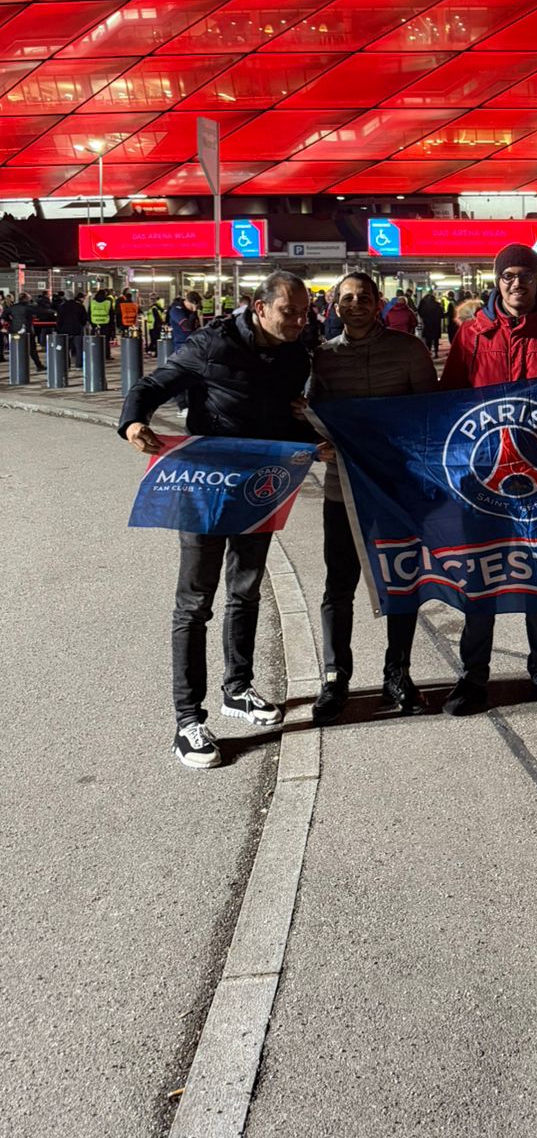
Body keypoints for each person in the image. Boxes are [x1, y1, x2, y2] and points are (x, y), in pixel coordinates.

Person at [118, 270, 314, 770]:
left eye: (303, 312)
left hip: (260, 487)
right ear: (260, 307)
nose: (298, 320)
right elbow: (153, 384)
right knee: (195, 603)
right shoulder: (213, 344)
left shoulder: (297, 350)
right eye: (288, 311)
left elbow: (285, 414)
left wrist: (311, 436)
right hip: (205, 485)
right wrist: (134, 422)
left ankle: (238, 689)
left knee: (245, 591)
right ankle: (188, 721)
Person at [439, 242, 537, 715]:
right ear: (496, 281)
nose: (516, 284)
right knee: (480, 575)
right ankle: (472, 675)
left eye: (525, 275)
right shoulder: (472, 335)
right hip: (481, 477)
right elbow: (449, 401)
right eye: (508, 276)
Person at [307, 272, 437, 723]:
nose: (356, 304)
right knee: (338, 585)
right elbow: (311, 416)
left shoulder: (410, 350)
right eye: (347, 299)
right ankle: (334, 678)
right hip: (342, 489)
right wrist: (314, 443)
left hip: (398, 489)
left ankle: (397, 673)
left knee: (402, 581)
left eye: (364, 297)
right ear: (335, 306)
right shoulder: (322, 358)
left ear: (379, 302)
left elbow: (431, 414)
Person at [9, 291, 42, 370]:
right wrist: (53, 312)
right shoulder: (28, 307)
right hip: (27, 330)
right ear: (25, 299)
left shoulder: (12, 307)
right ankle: (38, 365)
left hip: (15, 331)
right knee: (32, 349)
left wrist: (12, 321)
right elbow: (40, 311)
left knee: (16, 348)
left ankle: (16, 367)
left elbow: (4, 316)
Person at [56, 291, 88, 366]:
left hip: (65, 330)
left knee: (66, 348)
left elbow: (59, 320)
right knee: (79, 348)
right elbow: (84, 318)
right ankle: (79, 364)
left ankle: (66, 364)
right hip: (77, 329)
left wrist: (59, 329)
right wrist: (81, 324)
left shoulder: (62, 307)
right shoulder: (79, 306)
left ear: (65, 297)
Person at [417, 288, 444, 354]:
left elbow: (420, 312)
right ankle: (436, 352)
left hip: (427, 324)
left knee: (428, 338)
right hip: (436, 324)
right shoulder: (438, 305)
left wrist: (424, 318)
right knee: (436, 339)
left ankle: (429, 350)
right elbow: (441, 315)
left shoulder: (424, 306)